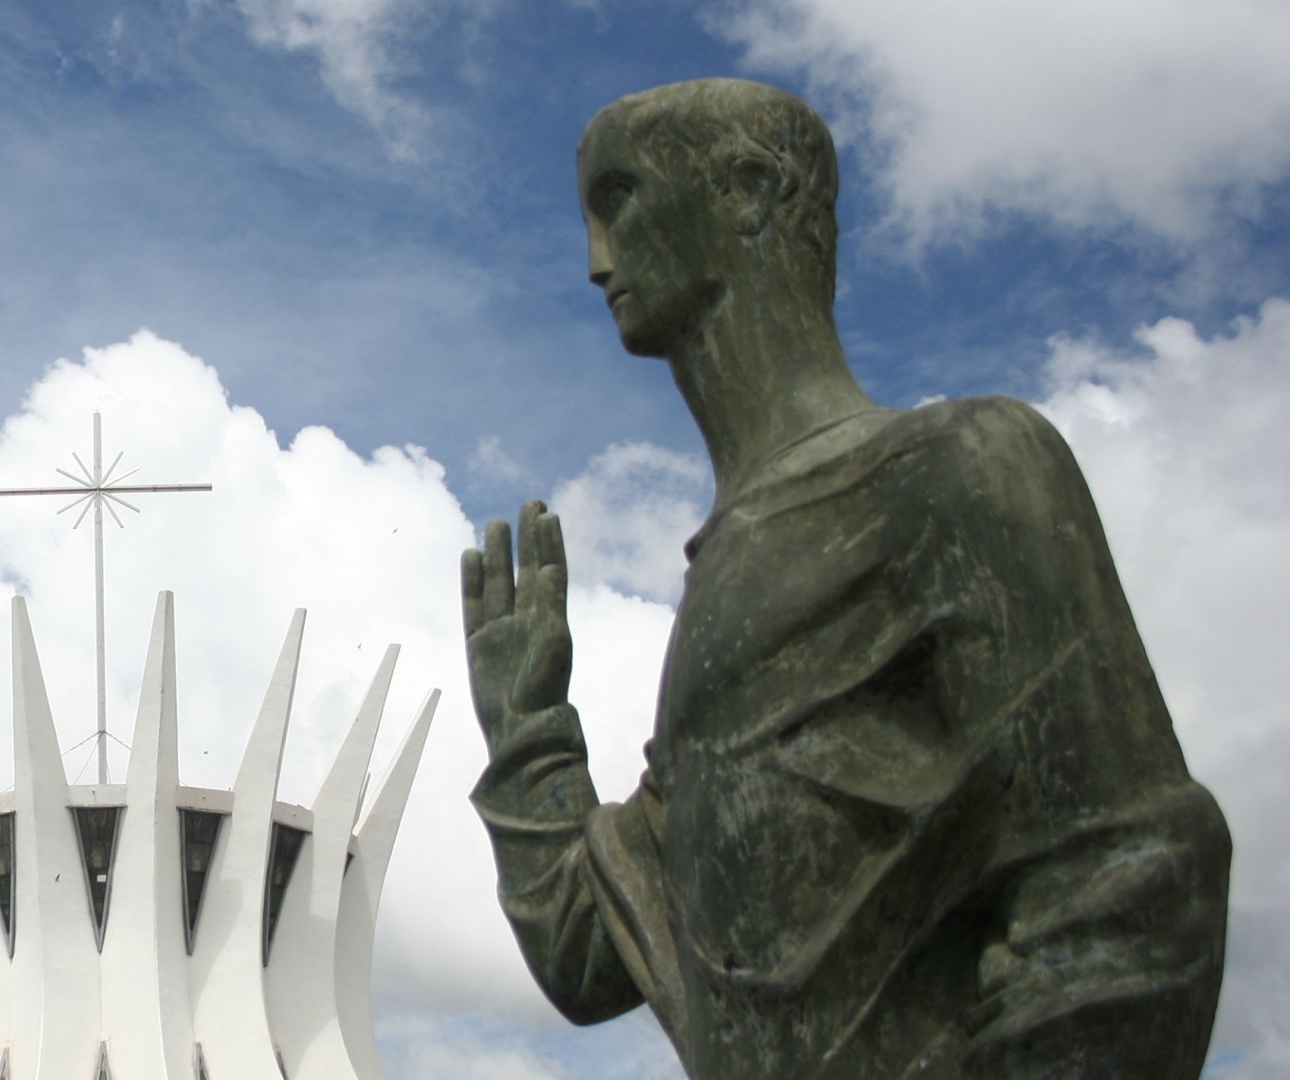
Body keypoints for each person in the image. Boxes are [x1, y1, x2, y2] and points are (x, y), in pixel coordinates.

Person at [462, 79, 1229, 1079]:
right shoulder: (727, 586)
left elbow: (1132, 897)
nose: (596, 259)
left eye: (621, 199)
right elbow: (593, 954)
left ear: (747, 188)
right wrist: (526, 728)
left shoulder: (960, 470)